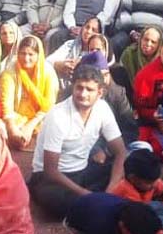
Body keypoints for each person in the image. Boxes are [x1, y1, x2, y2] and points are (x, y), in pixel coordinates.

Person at [29, 65, 126, 217]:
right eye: (79, 88)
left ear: (100, 93)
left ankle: (97, 201)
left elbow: (120, 152)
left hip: (82, 170)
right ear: (72, 88)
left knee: (131, 167)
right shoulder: (58, 115)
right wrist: (84, 193)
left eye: (89, 89)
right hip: (51, 178)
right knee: (56, 202)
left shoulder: (103, 109)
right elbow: (50, 171)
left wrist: (112, 189)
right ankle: (95, 203)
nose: (83, 94)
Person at [0, 36, 58, 151]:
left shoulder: (48, 72)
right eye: (22, 53)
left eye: (31, 54)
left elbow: (49, 105)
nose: (26, 58)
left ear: (38, 55)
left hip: (41, 117)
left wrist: (29, 127)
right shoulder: (10, 71)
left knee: (54, 126)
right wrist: (12, 129)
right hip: (15, 117)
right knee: (0, 130)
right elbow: (6, 105)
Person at [111, 149, 163, 227]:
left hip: (142, 206)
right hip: (124, 216)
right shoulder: (125, 190)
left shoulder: (154, 182)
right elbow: (137, 213)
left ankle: (156, 231)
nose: (154, 185)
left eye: (155, 180)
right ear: (133, 178)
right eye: (149, 183)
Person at [47, 16, 103, 88]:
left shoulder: (97, 53)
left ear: (98, 35)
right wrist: (58, 65)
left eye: (93, 30)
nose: (88, 31)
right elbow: (47, 62)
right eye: (87, 27)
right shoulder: (70, 44)